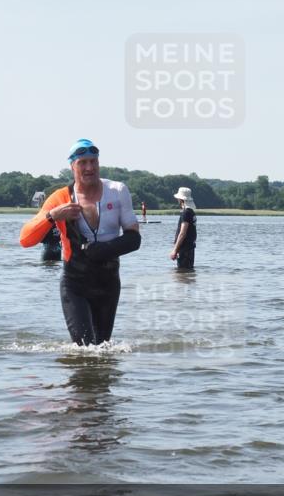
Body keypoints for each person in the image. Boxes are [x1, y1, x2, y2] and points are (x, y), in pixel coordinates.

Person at [19, 139, 141, 345]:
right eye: (83, 162)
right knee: (85, 347)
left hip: (108, 282)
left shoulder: (118, 191)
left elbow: (134, 239)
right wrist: (52, 216)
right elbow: (25, 239)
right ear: (72, 166)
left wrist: (103, 250)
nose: (89, 167)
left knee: (102, 347)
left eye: (93, 161)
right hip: (75, 282)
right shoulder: (60, 199)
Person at [169, 187, 197, 269]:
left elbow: (182, 233)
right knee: (187, 274)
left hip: (184, 249)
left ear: (181, 200)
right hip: (190, 247)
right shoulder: (191, 212)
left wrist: (175, 250)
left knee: (182, 274)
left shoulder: (186, 213)